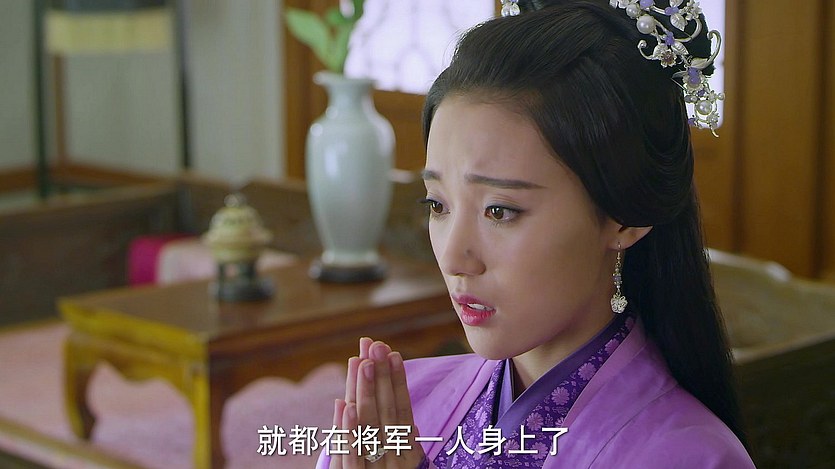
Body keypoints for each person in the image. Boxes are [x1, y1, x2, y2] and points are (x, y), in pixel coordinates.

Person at [317, 0, 755, 467]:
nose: (454, 257)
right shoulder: (401, 411)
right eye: (437, 205)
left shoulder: (687, 456)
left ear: (624, 216)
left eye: (500, 211)